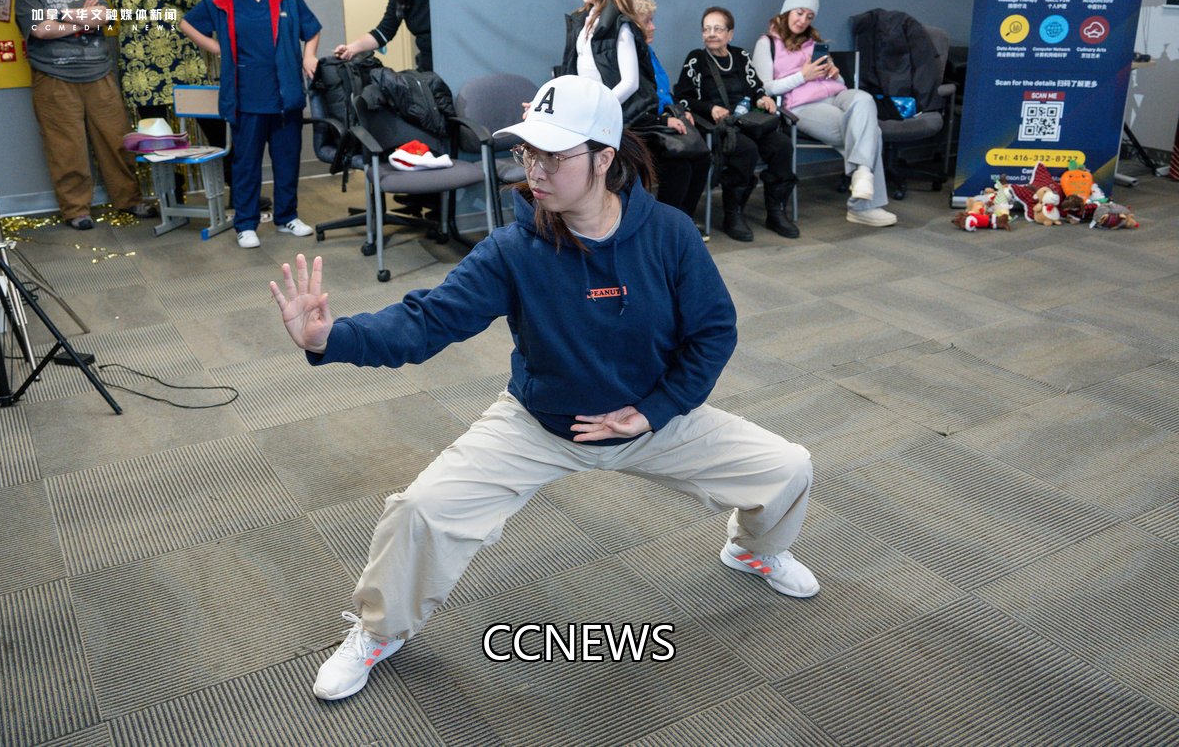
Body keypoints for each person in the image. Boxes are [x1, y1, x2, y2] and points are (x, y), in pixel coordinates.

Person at [270, 75, 819, 702]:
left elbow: (714, 333)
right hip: (540, 424)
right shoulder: (514, 249)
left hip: (652, 417)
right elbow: (426, 322)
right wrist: (330, 338)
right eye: (529, 152)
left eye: (554, 156)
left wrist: (655, 410)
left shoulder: (668, 234)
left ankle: (752, 551)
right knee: (420, 511)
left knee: (788, 468)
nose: (535, 169)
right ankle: (378, 629)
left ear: (603, 158)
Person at [180, 0, 321, 249]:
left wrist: (309, 56)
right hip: (245, 98)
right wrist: (218, 49)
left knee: (287, 162)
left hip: (285, 96)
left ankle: (287, 217)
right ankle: (245, 224)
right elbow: (187, 24)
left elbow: (312, 30)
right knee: (246, 165)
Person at [14, 0, 153, 231]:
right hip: (54, 79)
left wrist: (62, 17)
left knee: (116, 140)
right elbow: (41, 30)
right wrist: (80, 18)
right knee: (66, 149)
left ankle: (129, 199)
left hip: (99, 73)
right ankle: (76, 209)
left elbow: (103, 16)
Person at [100, 0, 237, 206]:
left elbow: (195, 0)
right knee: (157, 140)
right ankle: (172, 202)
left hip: (184, 60)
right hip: (142, 69)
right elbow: (125, 9)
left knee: (217, 129)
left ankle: (239, 192)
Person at [751, 0, 897, 228]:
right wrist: (803, 76)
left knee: (864, 98)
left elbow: (838, 83)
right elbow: (764, 87)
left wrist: (835, 74)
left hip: (835, 95)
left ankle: (862, 173)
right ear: (787, 10)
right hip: (801, 106)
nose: (803, 21)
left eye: (809, 16)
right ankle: (862, 205)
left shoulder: (813, 42)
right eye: (799, 13)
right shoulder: (767, 43)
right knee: (873, 131)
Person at [673, 7, 798, 242]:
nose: (711, 34)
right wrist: (710, 108)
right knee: (746, 150)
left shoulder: (740, 56)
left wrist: (762, 98)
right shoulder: (696, 59)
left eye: (718, 29)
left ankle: (776, 211)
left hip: (750, 121)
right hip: (720, 127)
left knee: (782, 145)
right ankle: (733, 213)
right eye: (706, 29)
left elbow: (756, 86)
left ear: (730, 34)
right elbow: (683, 97)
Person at [632, 0, 711, 222]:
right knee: (679, 166)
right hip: (642, 129)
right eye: (648, 21)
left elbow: (663, 93)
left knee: (702, 158)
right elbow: (634, 108)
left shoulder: (649, 53)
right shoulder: (628, 58)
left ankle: (683, 221)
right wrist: (664, 121)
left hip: (661, 124)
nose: (653, 27)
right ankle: (666, 225)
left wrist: (679, 110)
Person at [557, 0, 656, 129]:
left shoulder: (620, 26)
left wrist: (599, 109)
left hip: (606, 119)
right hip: (585, 112)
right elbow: (570, 71)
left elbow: (630, 83)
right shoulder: (581, 21)